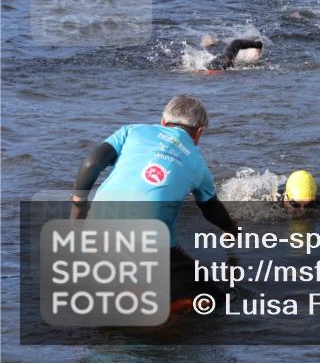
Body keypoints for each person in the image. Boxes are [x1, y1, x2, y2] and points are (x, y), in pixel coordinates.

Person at [69, 95, 238, 299]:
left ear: (164, 122)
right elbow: (211, 209)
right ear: (198, 133)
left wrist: (78, 206)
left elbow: (91, 164)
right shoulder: (199, 166)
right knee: (217, 300)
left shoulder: (132, 131)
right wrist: (231, 230)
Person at [199, 36, 264, 71]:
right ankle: (209, 41)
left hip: (222, 58)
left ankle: (209, 41)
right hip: (222, 59)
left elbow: (237, 43)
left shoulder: (226, 59)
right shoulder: (225, 61)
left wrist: (258, 45)